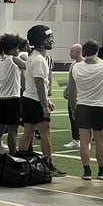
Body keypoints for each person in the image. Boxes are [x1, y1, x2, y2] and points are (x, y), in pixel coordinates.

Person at [20, 24, 65, 176]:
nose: (50, 40)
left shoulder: (35, 57)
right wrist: (44, 105)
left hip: (28, 98)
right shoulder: (39, 60)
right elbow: (39, 84)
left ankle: (20, 164)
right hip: (35, 101)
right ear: (40, 41)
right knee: (45, 133)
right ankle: (48, 165)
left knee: (28, 133)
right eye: (47, 38)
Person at [67, 39, 103, 181]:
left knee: (84, 142)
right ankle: (102, 171)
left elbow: (71, 91)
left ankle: (86, 171)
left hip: (82, 106)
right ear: (97, 51)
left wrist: (73, 109)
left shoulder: (76, 67)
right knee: (100, 142)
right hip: (98, 107)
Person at [0, 34, 26, 154]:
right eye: (17, 48)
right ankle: (13, 156)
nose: (18, 50)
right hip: (13, 98)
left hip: (2, 98)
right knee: (13, 131)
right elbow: (28, 66)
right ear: (12, 49)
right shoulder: (13, 59)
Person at [62, 43, 83, 150]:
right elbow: (71, 80)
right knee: (72, 117)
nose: (70, 53)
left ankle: (82, 140)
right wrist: (67, 89)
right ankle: (76, 139)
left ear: (79, 52)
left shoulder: (83, 64)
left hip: (80, 96)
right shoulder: (73, 64)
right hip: (73, 95)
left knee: (80, 118)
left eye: (72, 51)